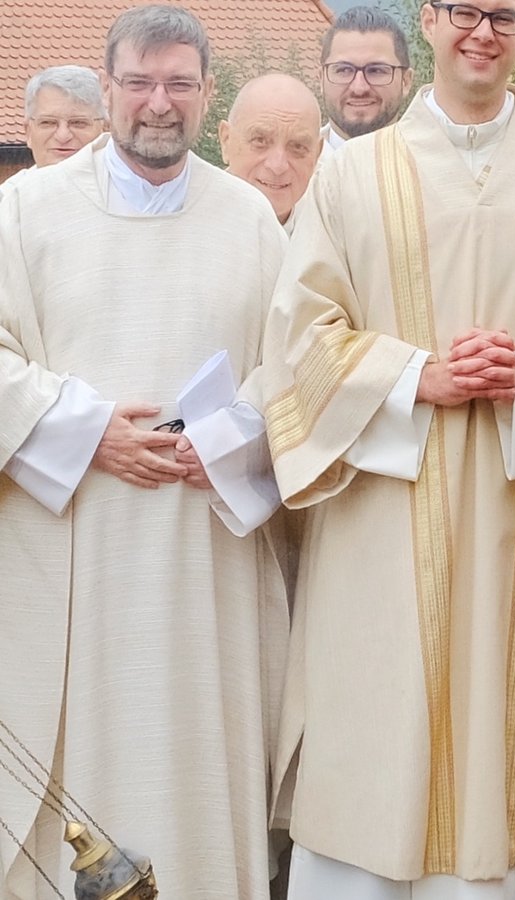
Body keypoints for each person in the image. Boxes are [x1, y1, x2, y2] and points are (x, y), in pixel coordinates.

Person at [263, 0, 515, 896]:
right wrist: (416, 378)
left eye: (504, 16)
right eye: (463, 12)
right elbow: (298, 337)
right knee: (381, 738)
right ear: (430, 23)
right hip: (384, 520)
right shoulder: (352, 175)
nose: (483, 32)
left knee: (513, 757)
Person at [0, 6, 288, 898]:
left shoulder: (250, 218)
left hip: (206, 557)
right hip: (71, 548)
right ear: (108, 86)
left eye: (179, 85)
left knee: (196, 750)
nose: (158, 103)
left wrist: (226, 438)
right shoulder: (26, 209)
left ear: (208, 94)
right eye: (139, 83)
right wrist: (86, 432)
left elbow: (297, 366)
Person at [220, 73, 323, 232]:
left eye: (297, 147)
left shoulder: (334, 231)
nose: (278, 166)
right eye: (260, 141)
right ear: (226, 140)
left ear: (317, 154)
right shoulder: (188, 224)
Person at [318, 6, 414, 154]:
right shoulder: (289, 165)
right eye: (344, 70)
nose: (359, 88)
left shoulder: (435, 163)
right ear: (321, 79)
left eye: (376, 70)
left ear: (406, 81)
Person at [0, 66, 106, 200]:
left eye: (78, 123)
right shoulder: (7, 201)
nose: (63, 136)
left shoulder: (127, 197)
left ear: (106, 129)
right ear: (28, 132)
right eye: (48, 123)